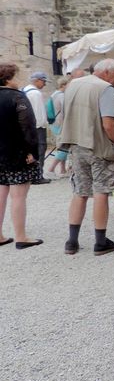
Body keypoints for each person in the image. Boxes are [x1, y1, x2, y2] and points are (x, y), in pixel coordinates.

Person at [60, 58, 114, 256]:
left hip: (76, 144)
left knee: (80, 192)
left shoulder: (73, 85)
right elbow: (109, 124)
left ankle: (72, 241)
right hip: (98, 146)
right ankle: (100, 241)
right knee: (101, 192)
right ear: (106, 72)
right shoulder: (105, 89)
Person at [0, 63, 44, 249]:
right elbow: (27, 126)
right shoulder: (18, 97)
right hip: (17, 153)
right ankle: (21, 237)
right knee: (18, 195)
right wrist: (32, 152)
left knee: (1, 193)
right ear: (9, 78)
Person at [22, 71, 52, 184]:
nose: (44, 84)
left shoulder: (25, 90)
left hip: (28, 127)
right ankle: (38, 175)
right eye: (43, 81)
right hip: (37, 127)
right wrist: (42, 125)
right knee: (40, 150)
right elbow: (39, 113)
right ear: (38, 80)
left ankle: (30, 174)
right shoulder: (35, 93)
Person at [45, 76, 71, 179]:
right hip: (60, 124)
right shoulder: (61, 96)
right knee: (63, 148)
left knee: (62, 146)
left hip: (54, 123)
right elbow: (66, 111)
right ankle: (50, 170)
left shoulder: (53, 94)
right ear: (64, 85)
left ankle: (62, 170)